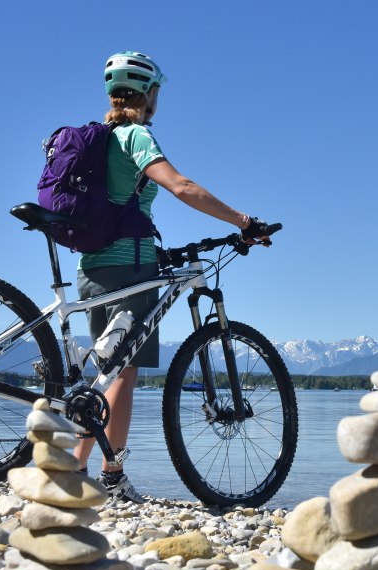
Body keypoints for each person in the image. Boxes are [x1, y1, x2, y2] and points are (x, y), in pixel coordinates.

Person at [71, 51, 270, 503]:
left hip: (92, 266)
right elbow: (181, 186)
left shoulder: (97, 139)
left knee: (103, 375)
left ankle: (73, 469)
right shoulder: (134, 135)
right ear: (150, 94)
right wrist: (242, 221)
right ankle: (111, 476)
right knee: (123, 374)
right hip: (129, 267)